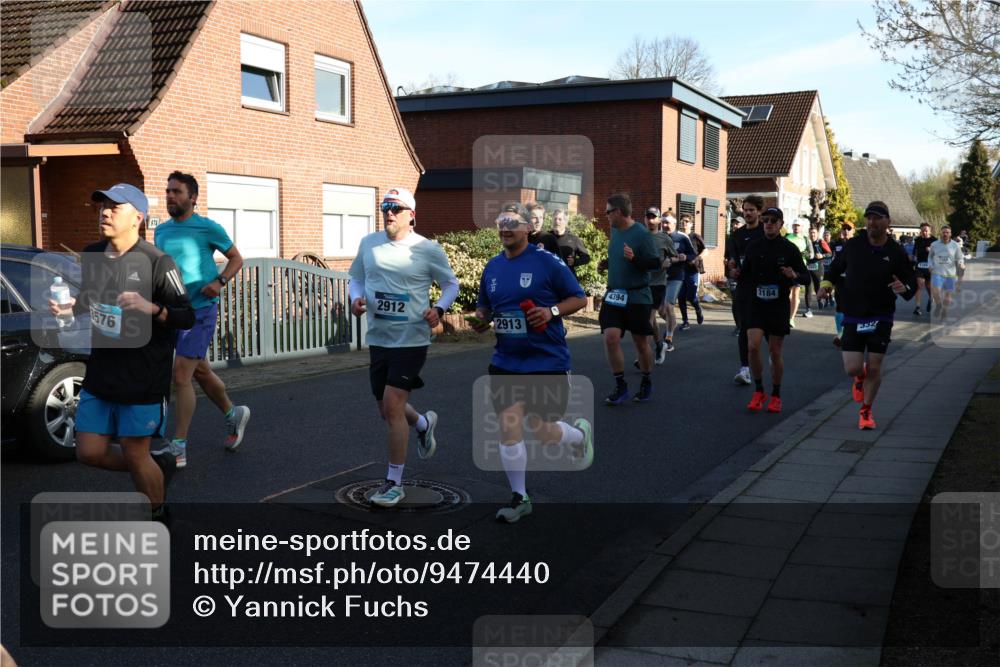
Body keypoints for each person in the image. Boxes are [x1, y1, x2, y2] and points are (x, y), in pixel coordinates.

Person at [51, 183, 195, 522]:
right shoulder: (93, 254)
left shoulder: (158, 262)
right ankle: (157, 463)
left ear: (138, 217)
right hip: (102, 372)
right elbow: (90, 300)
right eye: (102, 205)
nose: (105, 212)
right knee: (88, 452)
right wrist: (72, 309)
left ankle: (158, 514)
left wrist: (152, 308)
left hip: (143, 376)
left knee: (134, 450)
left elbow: (185, 315)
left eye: (115, 207)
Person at [470, 204, 592, 522]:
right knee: (509, 425)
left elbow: (579, 298)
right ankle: (520, 497)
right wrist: (481, 319)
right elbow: (485, 307)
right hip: (506, 361)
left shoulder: (546, 262)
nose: (505, 228)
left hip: (546, 360)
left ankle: (579, 435)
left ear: (527, 228)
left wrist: (550, 312)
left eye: (512, 222)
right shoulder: (493, 267)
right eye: (501, 222)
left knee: (543, 431)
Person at [348, 187, 460, 507]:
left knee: (393, 407)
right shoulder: (369, 244)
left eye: (396, 208)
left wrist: (438, 309)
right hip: (379, 338)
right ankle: (424, 424)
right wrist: (355, 299)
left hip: (411, 339)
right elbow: (355, 278)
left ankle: (394, 483)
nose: (389, 213)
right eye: (385, 207)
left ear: (411, 215)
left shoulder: (427, 249)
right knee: (385, 408)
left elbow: (451, 283)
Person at [154, 172, 249, 468]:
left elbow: (236, 258)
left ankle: (178, 446)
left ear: (193, 198)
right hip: (173, 313)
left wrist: (219, 282)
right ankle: (234, 415)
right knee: (201, 372)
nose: (170, 196)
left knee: (180, 375)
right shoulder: (162, 231)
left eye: (177, 192)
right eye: (168, 191)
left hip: (201, 310)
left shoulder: (208, 227)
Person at [818, 201, 916, 429]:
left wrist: (906, 288)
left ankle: (866, 412)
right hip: (853, 313)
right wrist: (826, 284)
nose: (871, 222)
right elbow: (834, 269)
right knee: (852, 368)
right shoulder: (853, 245)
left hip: (881, 314)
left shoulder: (896, 251)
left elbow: (910, 279)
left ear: (887, 222)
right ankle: (859, 379)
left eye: (877, 218)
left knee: (874, 366)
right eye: (869, 218)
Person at [741, 207, 809, 414]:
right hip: (756, 304)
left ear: (780, 224)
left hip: (778, 305)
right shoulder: (753, 247)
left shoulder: (789, 249)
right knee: (752, 347)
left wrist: (793, 274)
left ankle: (776, 394)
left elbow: (805, 277)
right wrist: (735, 273)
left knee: (775, 351)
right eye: (765, 220)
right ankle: (759, 390)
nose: (768, 223)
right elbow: (744, 276)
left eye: (773, 220)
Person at [597, 193, 661, 404]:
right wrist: (607, 263)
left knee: (640, 342)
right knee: (610, 337)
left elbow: (654, 263)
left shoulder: (642, 234)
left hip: (638, 296)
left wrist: (635, 259)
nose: (605, 215)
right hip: (614, 294)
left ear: (618, 212)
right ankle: (620, 385)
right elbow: (618, 255)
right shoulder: (615, 231)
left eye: (608, 212)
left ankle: (646, 380)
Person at [725, 195, 765, 385]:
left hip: (764, 287)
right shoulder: (736, 235)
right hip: (744, 287)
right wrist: (733, 268)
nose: (748, 213)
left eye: (751, 210)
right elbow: (732, 259)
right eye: (746, 210)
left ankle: (773, 355)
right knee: (744, 329)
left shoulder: (765, 232)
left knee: (766, 330)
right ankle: (745, 369)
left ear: (758, 211)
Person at [642, 207, 677, 364]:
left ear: (658, 220)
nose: (650, 220)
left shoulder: (664, 238)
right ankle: (659, 345)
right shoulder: (639, 237)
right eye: (648, 217)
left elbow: (675, 257)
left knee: (648, 319)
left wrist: (669, 261)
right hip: (642, 282)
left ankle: (643, 355)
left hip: (658, 283)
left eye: (653, 217)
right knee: (652, 320)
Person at [660, 213, 692, 349]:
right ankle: (671, 324)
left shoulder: (682, 237)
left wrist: (685, 256)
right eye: (663, 222)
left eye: (668, 222)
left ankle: (669, 338)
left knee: (668, 306)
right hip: (660, 277)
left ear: (674, 223)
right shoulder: (658, 237)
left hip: (676, 276)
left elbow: (693, 254)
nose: (665, 225)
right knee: (661, 311)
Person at [928, 225, 965, 319]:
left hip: (950, 274)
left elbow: (960, 257)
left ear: (950, 234)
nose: (945, 234)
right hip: (937, 272)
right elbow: (930, 257)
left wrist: (961, 263)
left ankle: (944, 310)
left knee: (948, 295)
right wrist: (930, 265)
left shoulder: (955, 245)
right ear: (940, 233)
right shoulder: (934, 244)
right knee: (935, 292)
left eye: (947, 232)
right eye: (943, 232)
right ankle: (938, 304)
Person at [678, 214, 705, 328]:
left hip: (692, 271)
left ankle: (698, 309)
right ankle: (685, 321)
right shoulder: (676, 237)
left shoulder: (695, 237)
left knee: (691, 296)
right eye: (682, 221)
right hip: (679, 271)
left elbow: (705, 250)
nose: (684, 223)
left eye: (687, 221)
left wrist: (696, 259)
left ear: (691, 224)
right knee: (681, 296)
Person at [785, 220, 813, 325]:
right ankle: (786, 314)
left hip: (799, 269)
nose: (796, 227)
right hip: (787, 268)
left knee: (795, 294)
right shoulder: (787, 237)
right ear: (792, 226)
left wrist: (804, 254)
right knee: (787, 294)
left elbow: (811, 254)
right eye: (795, 225)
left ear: (802, 227)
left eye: (798, 226)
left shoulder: (805, 239)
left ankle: (791, 319)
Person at [551, 208, 591, 278]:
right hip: (550, 279)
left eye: (560, 219)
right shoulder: (547, 237)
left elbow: (586, 258)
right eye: (555, 219)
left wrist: (574, 261)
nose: (557, 222)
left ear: (565, 222)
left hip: (567, 278)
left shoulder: (574, 239)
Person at [803, 226, 831, 314]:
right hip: (807, 267)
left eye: (814, 233)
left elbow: (829, 253)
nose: (812, 234)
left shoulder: (821, 242)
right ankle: (808, 309)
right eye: (811, 233)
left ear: (817, 234)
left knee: (818, 287)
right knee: (808, 288)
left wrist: (822, 255)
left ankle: (821, 300)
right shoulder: (806, 242)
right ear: (809, 233)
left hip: (818, 268)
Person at [910, 222, 936, 315]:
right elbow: (914, 252)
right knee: (919, 285)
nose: (924, 232)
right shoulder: (918, 240)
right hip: (920, 265)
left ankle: (931, 299)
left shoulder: (935, 240)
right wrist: (912, 260)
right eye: (922, 231)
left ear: (930, 231)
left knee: (929, 286)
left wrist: (931, 250)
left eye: (926, 230)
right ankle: (917, 307)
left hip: (930, 266)